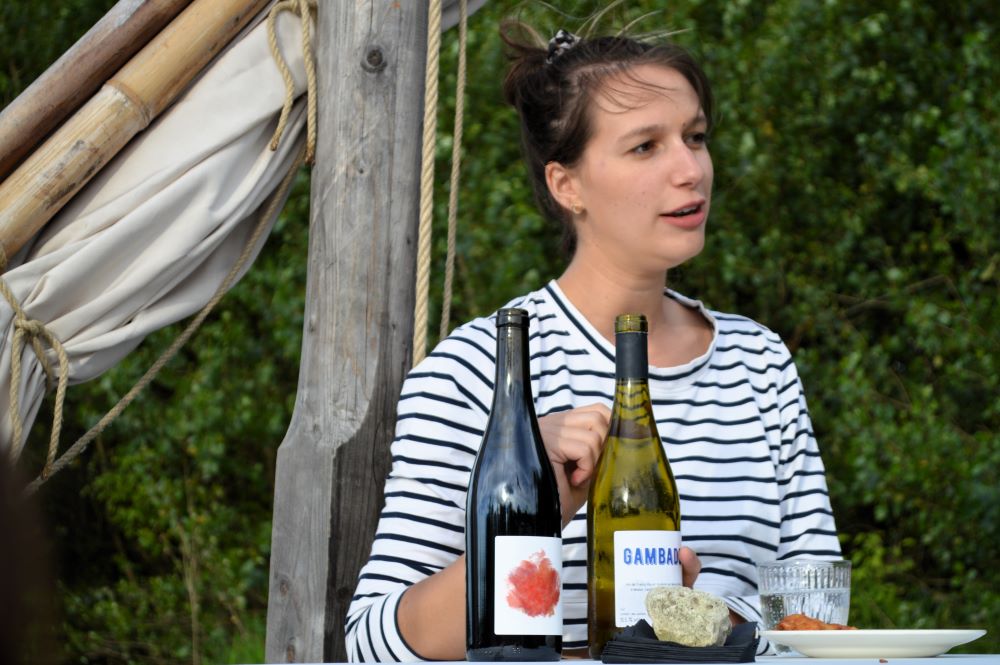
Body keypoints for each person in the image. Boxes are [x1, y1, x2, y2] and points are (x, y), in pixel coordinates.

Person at [346, 21, 840, 662]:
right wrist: (529, 511)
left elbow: (817, 615)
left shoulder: (760, 362)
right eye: (645, 147)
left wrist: (710, 628)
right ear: (566, 185)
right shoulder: (480, 373)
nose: (690, 169)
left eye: (695, 137)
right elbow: (373, 646)